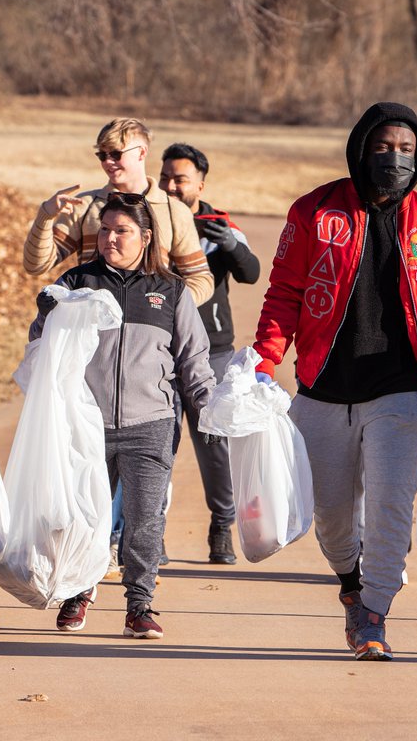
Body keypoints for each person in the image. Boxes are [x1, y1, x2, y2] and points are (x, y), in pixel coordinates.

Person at [253, 102, 417, 661]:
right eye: (383, 147)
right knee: (329, 515)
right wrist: (265, 359)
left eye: (406, 150)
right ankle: (351, 584)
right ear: (360, 149)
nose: (394, 159)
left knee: (391, 505)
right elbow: (284, 292)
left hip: (399, 390)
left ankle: (374, 613)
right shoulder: (314, 211)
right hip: (324, 387)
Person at [30, 192, 217, 639]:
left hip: (150, 423)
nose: (111, 239)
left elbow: (194, 357)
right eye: (106, 230)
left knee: (144, 518)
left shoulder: (171, 290)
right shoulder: (76, 283)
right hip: (86, 424)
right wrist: (47, 319)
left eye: (123, 231)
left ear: (146, 237)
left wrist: (208, 408)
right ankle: (79, 591)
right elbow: (40, 348)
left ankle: (140, 605)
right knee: (86, 519)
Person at [159, 142, 261, 565]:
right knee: (156, 444)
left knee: (213, 443)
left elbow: (251, 272)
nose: (170, 185)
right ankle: (149, 536)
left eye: (179, 179)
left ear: (200, 182)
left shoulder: (219, 222)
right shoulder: (150, 219)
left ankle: (222, 525)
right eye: (165, 176)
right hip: (159, 349)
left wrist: (230, 246)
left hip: (211, 350)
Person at [23, 117, 213, 307]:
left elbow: (201, 279)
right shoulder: (84, 205)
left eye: (115, 154)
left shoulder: (174, 211)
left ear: (141, 152)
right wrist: (45, 216)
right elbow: (36, 265)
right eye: (102, 156)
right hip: (92, 328)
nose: (108, 162)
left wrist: (167, 307)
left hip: (148, 331)